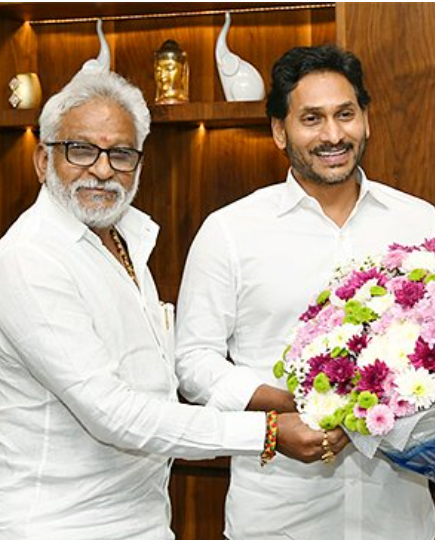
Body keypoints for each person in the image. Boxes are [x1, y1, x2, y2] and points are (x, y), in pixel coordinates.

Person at [0, 72, 331, 540]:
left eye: (121, 154)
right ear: (42, 160)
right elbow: (112, 413)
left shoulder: (125, 239)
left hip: (144, 517)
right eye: (81, 150)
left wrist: (286, 398)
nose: (102, 169)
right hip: (60, 525)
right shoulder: (29, 258)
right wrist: (268, 432)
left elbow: (160, 380)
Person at [175, 45, 435, 540]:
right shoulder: (231, 230)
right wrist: (288, 406)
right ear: (280, 131)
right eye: (311, 118)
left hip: (397, 514)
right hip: (279, 514)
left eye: (345, 114)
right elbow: (193, 361)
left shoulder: (417, 220)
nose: (333, 135)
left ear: (366, 119)